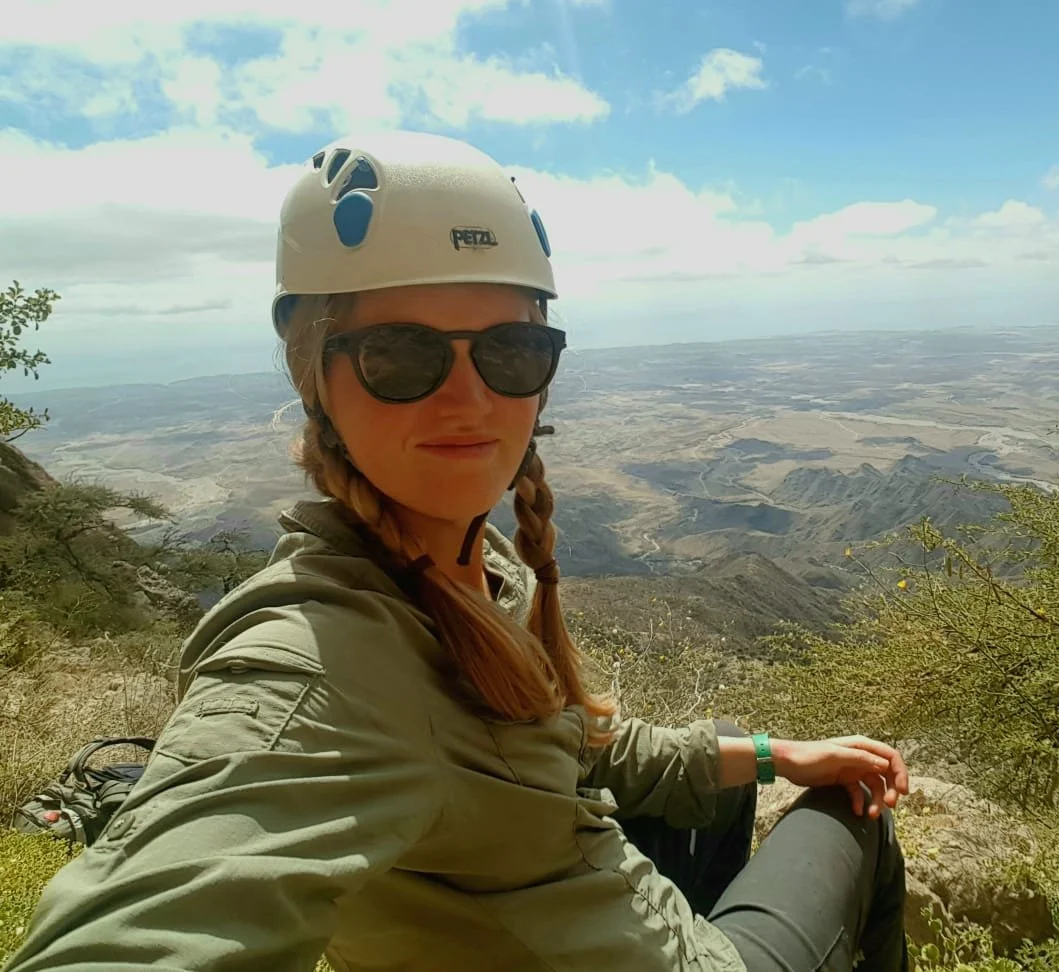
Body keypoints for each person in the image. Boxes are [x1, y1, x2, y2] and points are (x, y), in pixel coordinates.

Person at [4, 131, 909, 972]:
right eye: (402, 357)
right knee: (861, 821)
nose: (469, 400)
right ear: (314, 373)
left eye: (512, 350)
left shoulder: (484, 574)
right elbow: (144, 923)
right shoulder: (321, 671)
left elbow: (569, 751)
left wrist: (777, 751)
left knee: (730, 774)